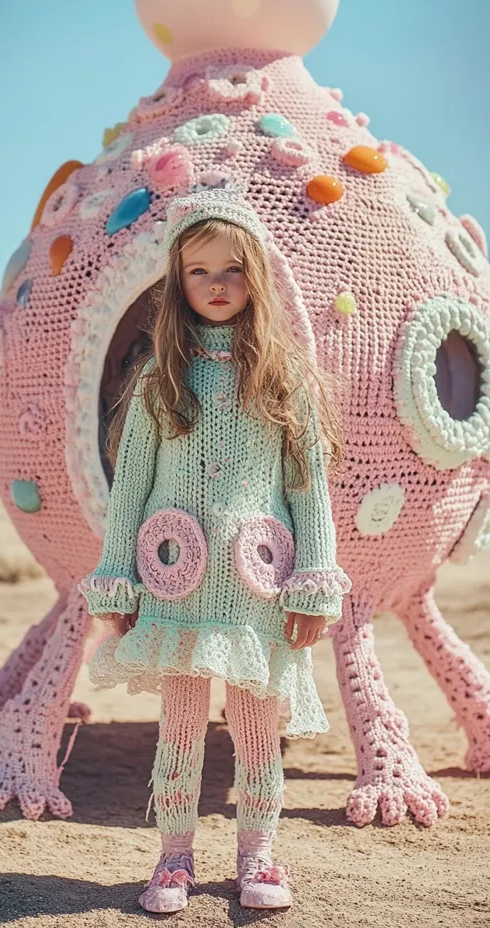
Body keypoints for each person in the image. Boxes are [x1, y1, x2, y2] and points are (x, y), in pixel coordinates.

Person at [78, 188, 352, 913]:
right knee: (181, 729)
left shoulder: (282, 379)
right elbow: (131, 488)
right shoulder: (159, 383)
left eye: (232, 268)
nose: (217, 284)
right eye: (199, 271)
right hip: (177, 590)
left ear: (255, 275)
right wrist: (117, 580)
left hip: (259, 591)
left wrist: (316, 585)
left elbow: (308, 486)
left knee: (259, 732)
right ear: (178, 281)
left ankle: (260, 854)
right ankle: (173, 858)